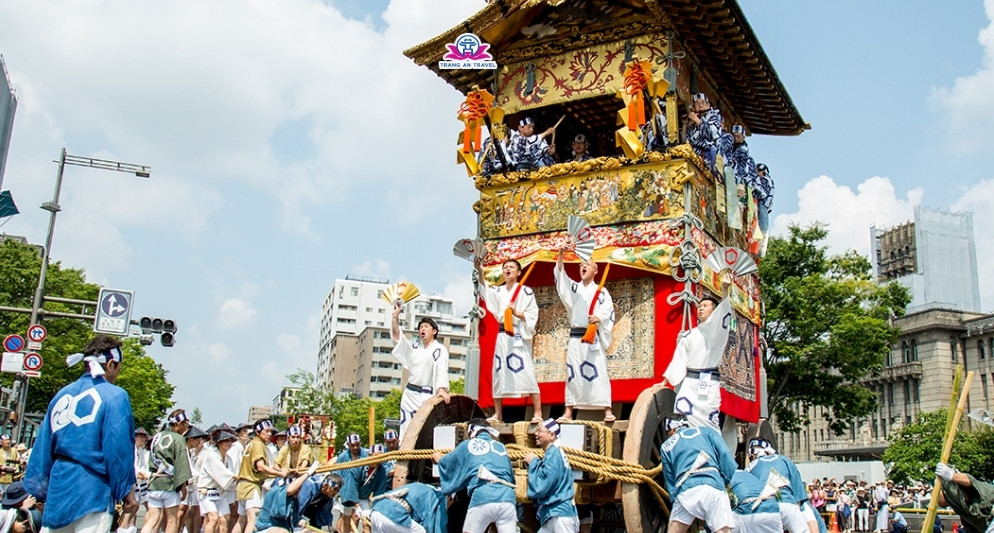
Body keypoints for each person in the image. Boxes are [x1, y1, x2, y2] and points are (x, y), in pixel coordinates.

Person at [24, 334, 138, 532]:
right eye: (118, 367)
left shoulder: (62, 393)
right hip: (93, 489)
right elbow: (118, 449)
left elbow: (43, 445)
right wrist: (126, 490)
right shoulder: (115, 396)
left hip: (59, 487)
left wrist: (40, 492)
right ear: (111, 364)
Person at [661, 272, 733, 431]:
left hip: (707, 383)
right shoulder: (689, 334)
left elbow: (723, 314)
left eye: (705, 306)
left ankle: (709, 453)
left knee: (708, 423)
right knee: (681, 415)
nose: (700, 309)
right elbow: (678, 360)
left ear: (714, 312)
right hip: (689, 384)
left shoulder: (716, 331)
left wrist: (725, 289)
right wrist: (665, 382)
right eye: (699, 306)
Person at [475, 257, 542, 423]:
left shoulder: (525, 291)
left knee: (526, 371)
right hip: (502, 336)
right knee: (499, 371)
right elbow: (485, 291)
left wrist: (516, 312)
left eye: (511, 267)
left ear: (518, 272)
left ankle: (538, 413)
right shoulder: (498, 291)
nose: (508, 270)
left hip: (518, 334)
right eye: (505, 267)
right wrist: (481, 271)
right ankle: (498, 414)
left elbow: (533, 314)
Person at [555, 244, 616, 422]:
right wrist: (560, 253)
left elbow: (608, 310)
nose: (583, 266)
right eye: (581, 264)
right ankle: (568, 411)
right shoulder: (574, 288)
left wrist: (599, 317)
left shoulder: (601, 291)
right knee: (573, 372)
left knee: (599, 371)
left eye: (587, 264)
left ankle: (607, 409)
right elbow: (560, 276)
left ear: (595, 270)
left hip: (593, 337)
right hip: (576, 337)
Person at [432, 418, 516, 533]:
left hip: (484, 496)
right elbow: (511, 476)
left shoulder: (468, 444)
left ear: (471, 432)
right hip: (507, 498)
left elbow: (449, 462)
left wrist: (439, 458)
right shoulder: (501, 446)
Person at [659, 414, 736, 533]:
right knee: (723, 530)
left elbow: (670, 479)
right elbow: (726, 457)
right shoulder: (707, 432)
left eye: (668, 432)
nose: (668, 435)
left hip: (686, 490)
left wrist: (674, 499)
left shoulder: (666, 446)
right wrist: (724, 480)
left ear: (673, 429)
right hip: (713, 486)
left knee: (674, 530)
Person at [391, 304, 451, 439]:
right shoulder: (414, 347)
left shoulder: (439, 350)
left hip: (427, 395)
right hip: (410, 393)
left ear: (434, 331)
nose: (422, 329)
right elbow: (398, 340)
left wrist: (442, 389)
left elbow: (442, 370)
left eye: (425, 327)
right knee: (406, 430)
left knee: (426, 432)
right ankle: (405, 455)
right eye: (420, 328)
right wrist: (395, 317)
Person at [746, 438, 816, 533]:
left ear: (752, 455)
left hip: (764, 510)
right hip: (788, 504)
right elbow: (799, 497)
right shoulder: (785, 460)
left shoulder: (750, 467)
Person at [524, 419, 579, 533]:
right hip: (554, 514)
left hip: (560, 515)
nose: (536, 434)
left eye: (539, 431)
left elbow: (544, 483)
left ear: (552, 435)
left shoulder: (554, 453)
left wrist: (534, 462)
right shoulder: (554, 453)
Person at [143, 409, 193, 533]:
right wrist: (183, 487)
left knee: (153, 519)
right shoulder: (178, 439)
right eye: (185, 423)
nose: (186, 427)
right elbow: (181, 463)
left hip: (154, 482)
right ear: (178, 423)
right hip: (169, 484)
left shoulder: (157, 437)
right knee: (172, 520)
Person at [236, 419, 289, 533]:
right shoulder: (258, 444)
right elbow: (260, 466)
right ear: (258, 431)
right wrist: (280, 473)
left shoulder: (251, 443)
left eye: (271, 432)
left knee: (241, 520)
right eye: (267, 431)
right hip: (251, 486)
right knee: (253, 519)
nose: (269, 434)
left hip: (242, 485)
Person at [256, 466, 343, 533]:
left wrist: (330, 525)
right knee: (282, 532)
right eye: (297, 489)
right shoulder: (277, 492)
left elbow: (324, 513)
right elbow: (281, 512)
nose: (299, 492)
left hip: (287, 527)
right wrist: (307, 473)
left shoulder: (295, 498)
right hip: (268, 527)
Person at [338, 445, 388, 532]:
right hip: (349, 494)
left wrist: (377, 509)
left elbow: (379, 493)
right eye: (376, 456)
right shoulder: (359, 464)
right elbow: (351, 484)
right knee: (347, 520)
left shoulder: (381, 471)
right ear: (369, 455)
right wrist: (356, 505)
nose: (379, 459)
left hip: (364, 497)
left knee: (367, 520)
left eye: (381, 456)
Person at [363, 482, 448, 533]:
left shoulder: (424, 487)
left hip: (376, 511)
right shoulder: (440, 498)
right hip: (392, 515)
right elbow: (434, 526)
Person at [197, 431, 238, 533]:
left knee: (225, 518)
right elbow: (222, 472)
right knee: (213, 518)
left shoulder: (227, 458)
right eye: (225, 441)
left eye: (229, 441)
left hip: (220, 492)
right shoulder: (212, 455)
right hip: (206, 491)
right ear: (218, 443)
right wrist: (237, 476)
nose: (228, 443)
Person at [934, 462, 994, 533]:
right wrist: (937, 486)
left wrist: (952, 476)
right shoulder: (960, 508)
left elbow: (971, 481)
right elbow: (942, 502)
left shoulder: (984, 491)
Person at [118, 427, 151, 533]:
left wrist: (144, 474)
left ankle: (127, 525)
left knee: (136, 505)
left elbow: (141, 466)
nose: (143, 439)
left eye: (144, 437)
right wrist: (140, 473)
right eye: (140, 437)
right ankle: (122, 526)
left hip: (138, 481)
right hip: (129, 479)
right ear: (135, 437)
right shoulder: (130, 449)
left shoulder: (141, 451)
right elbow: (132, 465)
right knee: (133, 504)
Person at [683, 93, 723, 173]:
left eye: (703, 102)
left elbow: (711, 135)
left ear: (708, 105)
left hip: (709, 157)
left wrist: (697, 120)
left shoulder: (714, 116)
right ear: (694, 107)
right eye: (697, 103)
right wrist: (685, 124)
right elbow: (685, 140)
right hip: (694, 157)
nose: (700, 105)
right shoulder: (693, 122)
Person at [750, 163, 775, 234]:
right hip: (765, 205)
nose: (757, 174)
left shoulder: (765, 180)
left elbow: (762, 193)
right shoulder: (769, 181)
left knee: (762, 225)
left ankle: (761, 234)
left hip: (762, 203)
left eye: (757, 171)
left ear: (762, 171)